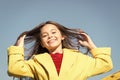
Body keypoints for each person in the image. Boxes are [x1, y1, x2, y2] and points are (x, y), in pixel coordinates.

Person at [7, 21, 113, 80]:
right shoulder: (36, 63)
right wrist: (18, 48)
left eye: (53, 32)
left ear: (62, 36)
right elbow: (14, 69)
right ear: (42, 43)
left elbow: (105, 64)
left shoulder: (79, 59)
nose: (50, 36)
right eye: (45, 35)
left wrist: (92, 46)